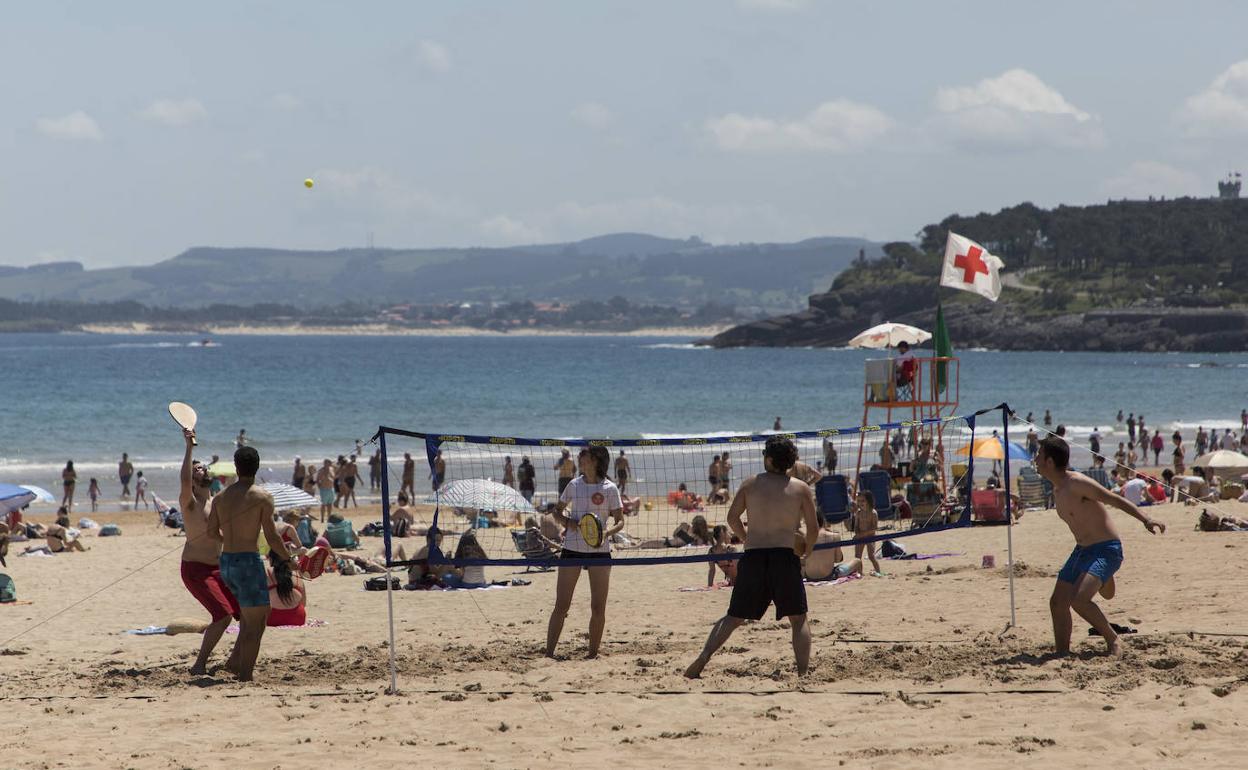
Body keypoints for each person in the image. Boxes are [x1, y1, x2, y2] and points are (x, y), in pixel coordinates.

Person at [685, 436, 818, 679]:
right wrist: (806, 553)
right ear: (789, 462)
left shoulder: (750, 484)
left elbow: (732, 519)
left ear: (768, 459)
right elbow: (813, 528)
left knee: (733, 617)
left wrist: (747, 538)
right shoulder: (800, 488)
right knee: (798, 620)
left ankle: (703, 658)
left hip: (755, 555)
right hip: (783, 555)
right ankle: (803, 672)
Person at [1034, 436, 1164, 657]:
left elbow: (1113, 499)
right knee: (1057, 602)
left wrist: (1146, 519)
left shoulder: (1076, 483)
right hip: (1082, 551)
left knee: (1079, 600)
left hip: (1106, 548)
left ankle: (1112, 639)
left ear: (1049, 462)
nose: (1035, 459)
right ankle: (1062, 653)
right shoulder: (1057, 490)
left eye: (1039, 455)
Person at [206, 446, 295, 682]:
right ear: (257, 467)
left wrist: (231, 542)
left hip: (226, 563)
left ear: (236, 467)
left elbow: (211, 532)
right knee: (255, 625)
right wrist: (287, 559)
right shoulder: (262, 497)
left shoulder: (220, 497)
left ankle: (235, 663)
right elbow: (273, 536)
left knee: (256, 613)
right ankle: (245, 676)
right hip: (247, 562)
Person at [545, 446, 624, 659]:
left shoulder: (610, 488)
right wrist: (568, 522)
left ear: (596, 460)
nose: (580, 458)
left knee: (598, 607)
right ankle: (549, 653)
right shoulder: (574, 484)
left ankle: (592, 655)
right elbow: (556, 512)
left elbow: (620, 521)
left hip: (599, 550)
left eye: (584, 456)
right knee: (562, 605)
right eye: (580, 456)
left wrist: (606, 533)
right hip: (572, 549)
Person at [177, 427, 239, 675]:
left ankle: (234, 661)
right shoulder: (190, 502)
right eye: (198, 468)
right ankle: (199, 665)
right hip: (195, 570)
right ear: (192, 479)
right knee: (223, 616)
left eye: (204, 467)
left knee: (245, 615)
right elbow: (183, 479)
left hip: (219, 568)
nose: (203, 469)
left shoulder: (217, 501)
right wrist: (189, 447)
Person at [802, 512, 863, 582]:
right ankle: (861, 579)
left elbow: (803, 559)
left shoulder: (804, 537)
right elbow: (838, 559)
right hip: (829, 575)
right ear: (823, 522)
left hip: (809, 576)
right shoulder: (834, 536)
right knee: (857, 561)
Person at [265, 552, 306, 627]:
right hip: (298, 618)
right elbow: (303, 603)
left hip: (272, 618)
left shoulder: (267, 573)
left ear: (271, 560)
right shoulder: (297, 574)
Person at [851, 489, 883, 576]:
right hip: (860, 537)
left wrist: (862, 534)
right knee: (857, 557)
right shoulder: (858, 513)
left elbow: (874, 528)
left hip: (871, 537)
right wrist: (857, 533)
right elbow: (856, 526)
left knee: (871, 556)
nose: (860, 503)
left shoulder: (873, 513)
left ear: (868, 501)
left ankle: (878, 571)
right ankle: (860, 573)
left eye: (863, 501)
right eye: (858, 501)